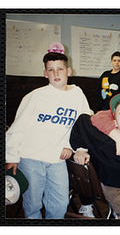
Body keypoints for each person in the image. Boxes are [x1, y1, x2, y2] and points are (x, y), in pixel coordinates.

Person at [5, 43, 90, 219]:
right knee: (33, 203)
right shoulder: (35, 96)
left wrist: (73, 147)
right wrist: (12, 157)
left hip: (57, 159)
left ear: (69, 71)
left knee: (60, 202)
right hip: (30, 158)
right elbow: (17, 129)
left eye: (60, 69)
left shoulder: (78, 94)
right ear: (45, 73)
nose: (56, 73)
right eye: (51, 70)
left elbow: (81, 126)